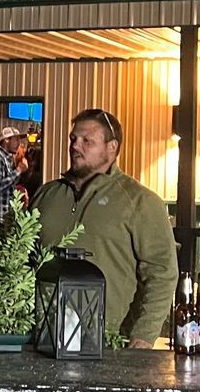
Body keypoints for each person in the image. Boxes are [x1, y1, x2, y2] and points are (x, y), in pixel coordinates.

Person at [33, 109, 180, 347]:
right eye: (73, 139)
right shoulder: (47, 195)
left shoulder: (139, 201)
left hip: (108, 343)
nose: (75, 146)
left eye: (87, 141)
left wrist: (144, 335)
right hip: (42, 340)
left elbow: (162, 272)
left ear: (112, 147)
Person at [0, 127, 29, 225]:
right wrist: (18, 170)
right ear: (6, 140)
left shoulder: (7, 158)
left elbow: (9, 185)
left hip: (3, 216)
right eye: (16, 139)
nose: (19, 143)